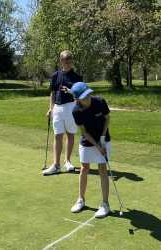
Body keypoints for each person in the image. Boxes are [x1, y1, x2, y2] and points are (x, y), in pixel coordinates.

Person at [70, 82, 111, 218]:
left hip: (103, 138)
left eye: (88, 94)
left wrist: (103, 139)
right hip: (88, 140)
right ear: (77, 99)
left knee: (102, 169)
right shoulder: (76, 111)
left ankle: (105, 204)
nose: (88, 97)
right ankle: (81, 199)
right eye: (84, 96)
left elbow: (107, 118)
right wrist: (96, 145)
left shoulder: (99, 102)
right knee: (84, 168)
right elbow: (84, 132)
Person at [42, 50, 83, 175]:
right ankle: (56, 165)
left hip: (71, 106)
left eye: (69, 60)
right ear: (61, 61)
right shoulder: (56, 75)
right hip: (58, 108)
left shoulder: (77, 77)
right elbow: (53, 93)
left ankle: (68, 161)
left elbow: (80, 95)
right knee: (57, 135)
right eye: (66, 60)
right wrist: (51, 108)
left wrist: (70, 91)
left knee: (70, 134)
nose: (68, 63)